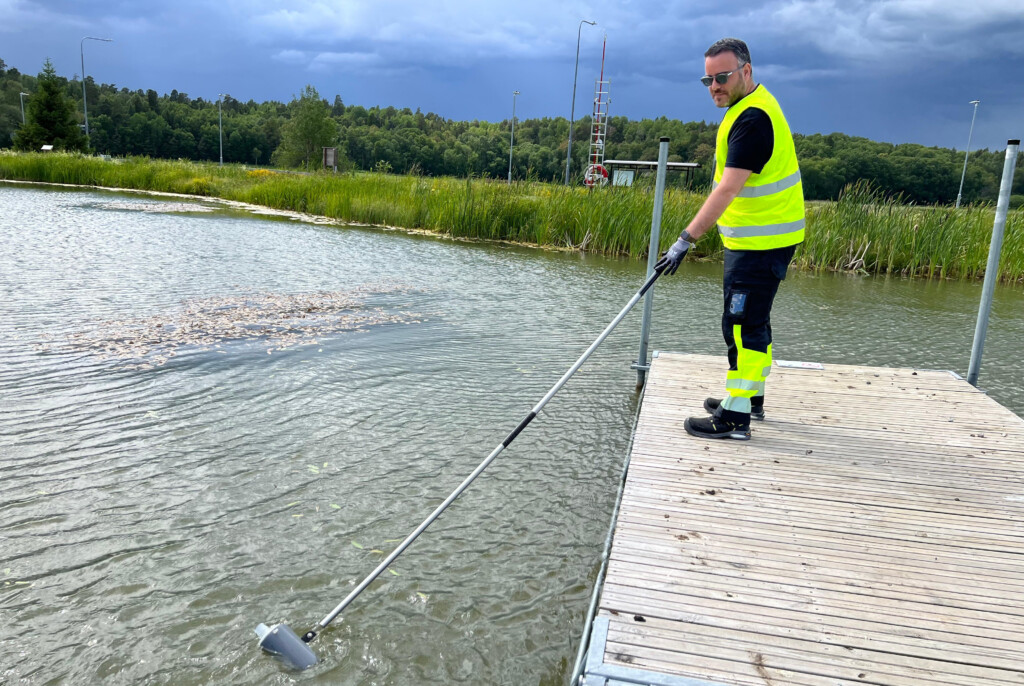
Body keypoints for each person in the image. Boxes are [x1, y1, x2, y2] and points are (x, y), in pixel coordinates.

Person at [655, 37, 805, 441]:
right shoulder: (749, 107)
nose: (715, 86)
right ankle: (750, 398)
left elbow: (727, 189)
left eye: (722, 77)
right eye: (708, 80)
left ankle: (734, 417)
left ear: (746, 71)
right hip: (761, 238)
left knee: (740, 324)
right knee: (754, 320)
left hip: (761, 243)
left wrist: (685, 239)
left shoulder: (753, 120)